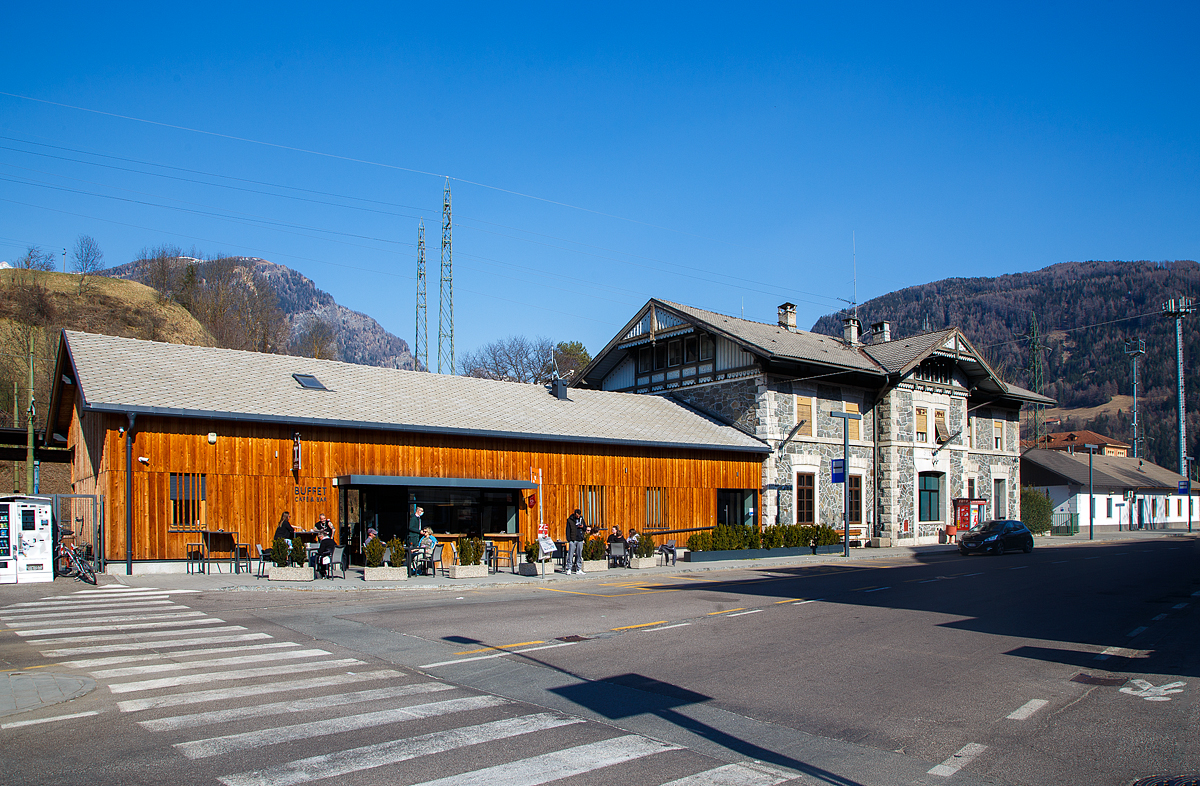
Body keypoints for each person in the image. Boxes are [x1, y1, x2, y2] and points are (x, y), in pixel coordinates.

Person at [565, 509, 586, 575]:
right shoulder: (570, 520)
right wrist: (569, 539)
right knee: (570, 554)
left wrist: (582, 527)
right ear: (575, 514)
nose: (578, 516)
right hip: (573, 539)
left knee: (579, 554)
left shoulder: (581, 519)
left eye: (579, 515)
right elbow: (567, 530)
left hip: (580, 539)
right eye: (577, 515)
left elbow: (585, 528)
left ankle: (578, 569)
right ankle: (569, 568)